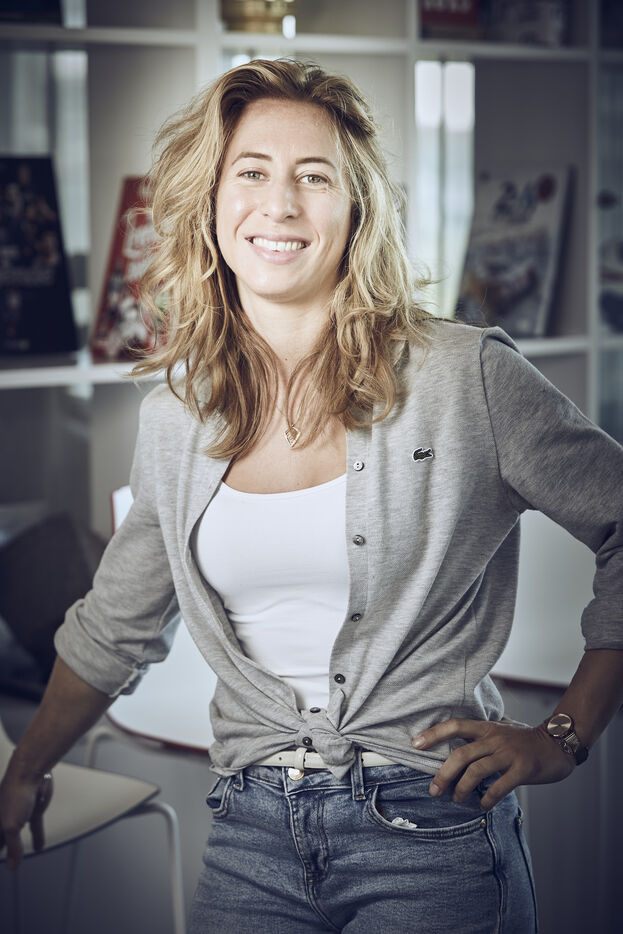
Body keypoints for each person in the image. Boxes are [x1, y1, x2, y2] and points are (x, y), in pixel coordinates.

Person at [1, 59, 622, 933]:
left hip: (430, 827)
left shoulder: (463, 377)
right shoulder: (176, 417)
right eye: (251, 172)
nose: (280, 204)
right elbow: (115, 625)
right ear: (211, 202)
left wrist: (565, 735)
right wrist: (26, 768)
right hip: (249, 830)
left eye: (314, 177)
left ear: (356, 207)